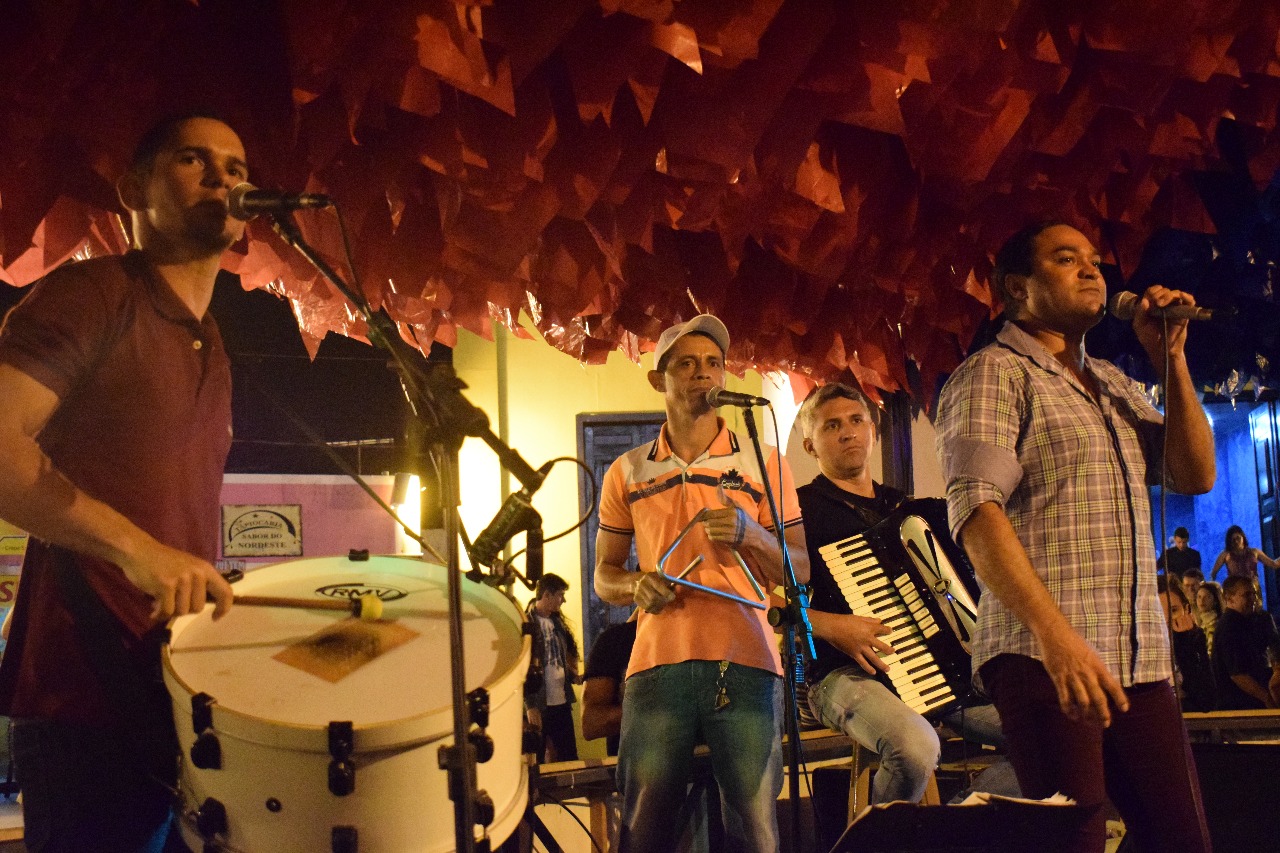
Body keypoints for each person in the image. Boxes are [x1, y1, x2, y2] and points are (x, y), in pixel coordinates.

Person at [0, 114, 243, 852]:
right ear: (133, 189)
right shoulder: (94, 294)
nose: (223, 178)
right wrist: (140, 552)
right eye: (194, 160)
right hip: (82, 690)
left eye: (236, 167)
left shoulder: (211, 341)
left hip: (167, 688)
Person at [936, 221, 1216, 853]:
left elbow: (1194, 473)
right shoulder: (994, 374)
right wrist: (1055, 638)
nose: (1093, 270)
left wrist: (1169, 358)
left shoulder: (1115, 383)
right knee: (1073, 842)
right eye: (1066, 260)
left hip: (1138, 663)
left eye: (1094, 260)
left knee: (1183, 840)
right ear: (1016, 289)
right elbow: (977, 513)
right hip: (1047, 659)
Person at [594, 314, 808, 853]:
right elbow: (604, 575)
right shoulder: (627, 470)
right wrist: (636, 586)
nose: (703, 374)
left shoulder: (765, 461)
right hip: (656, 666)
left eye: (713, 363)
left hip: (748, 664)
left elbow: (800, 569)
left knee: (756, 832)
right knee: (643, 828)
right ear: (658, 379)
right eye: (686, 364)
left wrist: (753, 535)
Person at [795, 382, 1014, 805]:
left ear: (872, 430)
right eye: (832, 426)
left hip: (938, 675)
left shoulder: (912, 510)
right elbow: (761, 599)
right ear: (811, 445)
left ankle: (942, 831)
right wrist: (829, 624)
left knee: (1053, 733)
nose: (848, 432)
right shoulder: (797, 513)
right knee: (916, 748)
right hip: (843, 675)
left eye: (857, 420)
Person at [524, 573, 581, 763]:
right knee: (536, 757)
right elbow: (524, 669)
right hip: (540, 704)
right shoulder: (526, 624)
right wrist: (530, 705)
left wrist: (572, 676)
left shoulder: (558, 625)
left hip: (561, 701)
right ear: (547, 595)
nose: (562, 600)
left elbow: (560, 658)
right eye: (560, 595)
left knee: (569, 755)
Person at [1212, 575, 1280, 710]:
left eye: (1254, 594)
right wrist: (1267, 699)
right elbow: (1238, 675)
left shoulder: (1256, 619)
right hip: (1239, 701)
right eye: (1246, 595)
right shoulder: (1228, 627)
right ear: (1229, 598)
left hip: (1255, 691)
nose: (1253, 599)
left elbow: (1275, 647)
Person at [1157, 576, 1215, 712]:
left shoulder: (1194, 640)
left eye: (1173, 610)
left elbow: (1207, 701)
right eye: (1158, 612)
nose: (1166, 619)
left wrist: (1185, 643)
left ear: (1186, 609)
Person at [1210, 525, 1278, 586]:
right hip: (1235, 592)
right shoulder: (1226, 554)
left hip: (1253, 590)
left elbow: (1274, 564)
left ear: (1243, 537)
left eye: (1238, 538)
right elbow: (1213, 573)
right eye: (1233, 540)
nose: (1236, 541)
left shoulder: (1254, 552)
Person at [1196, 581, 1224, 655]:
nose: (1201, 600)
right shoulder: (1202, 623)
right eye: (1199, 597)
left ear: (1215, 600)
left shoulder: (1215, 625)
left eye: (1207, 597)